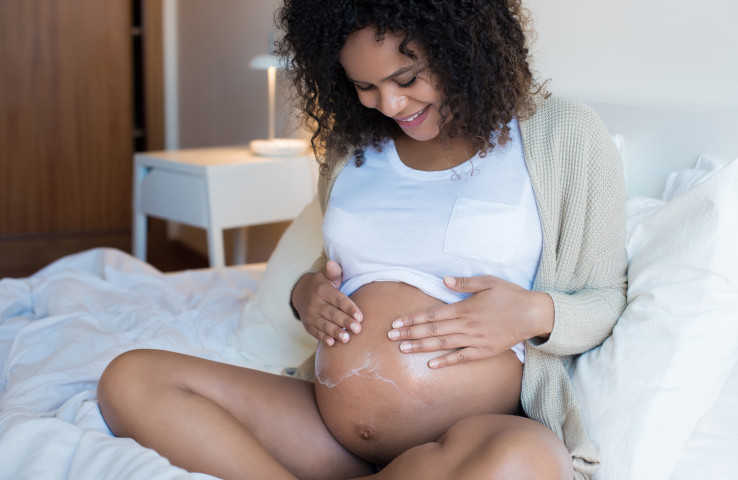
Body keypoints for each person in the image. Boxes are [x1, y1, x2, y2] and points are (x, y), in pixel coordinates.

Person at [97, 1, 627, 479]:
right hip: (328, 436)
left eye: (407, 78)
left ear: (463, 48)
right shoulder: (351, 148)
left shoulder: (563, 135)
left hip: (467, 438)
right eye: (365, 87)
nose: (391, 105)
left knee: (527, 464)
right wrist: (303, 294)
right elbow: (339, 265)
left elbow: (606, 298)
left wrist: (533, 314)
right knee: (131, 379)